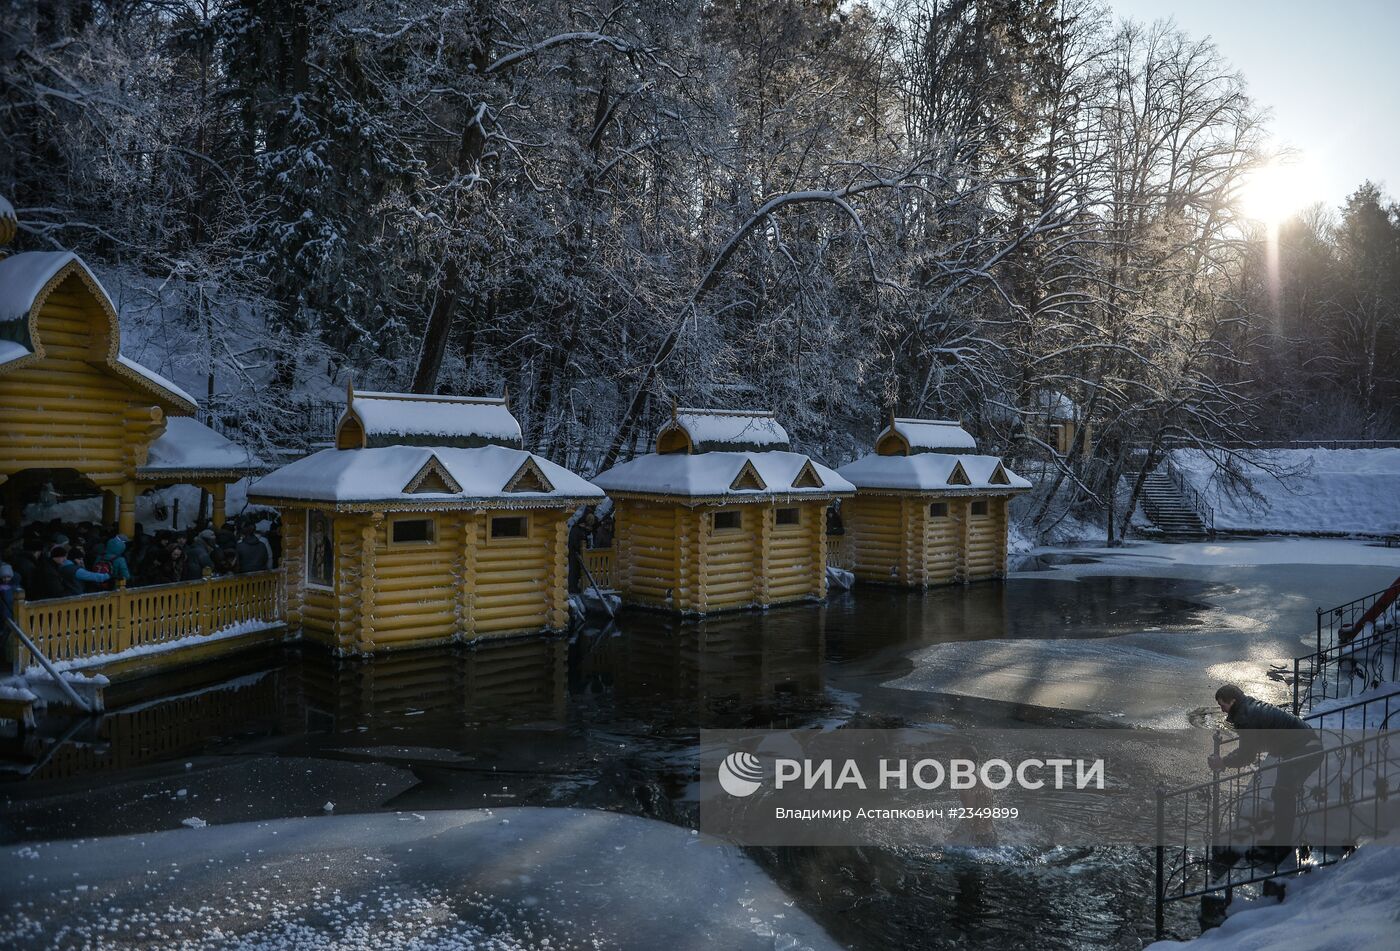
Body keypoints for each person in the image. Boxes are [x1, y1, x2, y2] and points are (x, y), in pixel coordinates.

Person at [1208, 683, 1323, 867]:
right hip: (1304, 747)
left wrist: (1223, 762)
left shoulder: (1245, 717)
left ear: (1233, 701)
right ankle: (1279, 842)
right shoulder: (1249, 708)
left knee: (1283, 794)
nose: (1222, 710)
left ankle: (1281, 848)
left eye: (1223, 705)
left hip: (1304, 750)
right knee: (1282, 794)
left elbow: (1247, 754)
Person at [567, 509, 598, 593]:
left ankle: (576, 587)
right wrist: (578, 549)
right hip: (574, 553)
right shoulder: (577, 529)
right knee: (574, 571)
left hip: (580, 553)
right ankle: (572, 588)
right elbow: (574, 542)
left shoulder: (584, 530)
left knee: (578, 572)